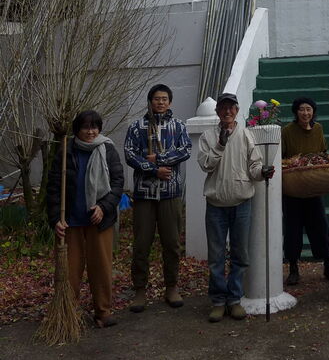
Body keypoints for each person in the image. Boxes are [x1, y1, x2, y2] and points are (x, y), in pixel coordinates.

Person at [197, 91, 274, 322]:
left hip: (241, 203)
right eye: (224, 107)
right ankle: (219, 301)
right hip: (216, 204)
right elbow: (205, 165)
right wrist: (220, 144)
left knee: (240, 254)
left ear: (237, 110)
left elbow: (254, 166)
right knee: (216, 256)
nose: (228, 111)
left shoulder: (246, 135)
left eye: (232, 107)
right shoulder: (207, 137)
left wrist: (262, 173)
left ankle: (234, 299)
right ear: (218, 111)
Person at [46, 109, 124, 329]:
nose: (90, 131)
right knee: (69, 272)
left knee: (101, 268)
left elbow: (118, 184)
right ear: (77, 129)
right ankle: (69, 314)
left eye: (94, 126)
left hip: (98, 222)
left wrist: (104, 207)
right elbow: (53, 188)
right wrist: (55, 220)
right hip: (70, 221)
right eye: (85, 127)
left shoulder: (107, 149)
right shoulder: (66, 150)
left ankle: (103, 311)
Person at [124, 83, 192, 312]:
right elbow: (129, 154)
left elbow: (186, 150)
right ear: (150, 101)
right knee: (141, 244)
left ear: (170, 102)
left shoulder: (179, 126)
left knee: (172, 243)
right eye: (156, 98)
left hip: (170, 193)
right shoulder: (136, 126)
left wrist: (160, 160)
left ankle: (171, 286)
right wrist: (153, 169)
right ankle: (140, 290)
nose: (160, 102)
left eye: (164, 99)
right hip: (144, 193)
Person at [281, 96, 329, 286]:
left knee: (320, 226)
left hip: (314, 185)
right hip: (293, 187)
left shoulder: (318, 129)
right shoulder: (287, 131)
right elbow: (281, 157)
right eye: (301, 109)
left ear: (313, 111)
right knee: (293, 228)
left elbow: (322, 152)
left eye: (309, 109)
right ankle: (293, 268)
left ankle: (328, 265)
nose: (305, 113)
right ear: (295, 112)